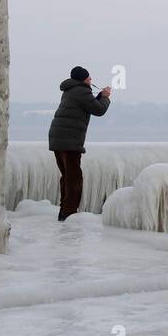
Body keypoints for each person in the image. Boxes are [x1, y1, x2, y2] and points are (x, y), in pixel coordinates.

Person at [47, 66, 112, 221]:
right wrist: (106, 97)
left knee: (67, 176)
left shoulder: (70, 90)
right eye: (89, 78)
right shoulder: (82, 91)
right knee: (74, 178)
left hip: (58, 138)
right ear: (83, 79)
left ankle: (64, 211)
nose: (91, 80)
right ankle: (69, 213)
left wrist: (98, 96)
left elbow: (87, 105)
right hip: (69, 140)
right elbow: (99, 110)